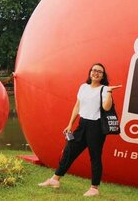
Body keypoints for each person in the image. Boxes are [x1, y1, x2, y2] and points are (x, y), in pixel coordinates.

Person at [38, 63, 122, 197]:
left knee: (95, 157)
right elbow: (77, 106)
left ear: (103, 76)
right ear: (90, 72)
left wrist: (110, 92)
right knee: (69, 150)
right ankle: (55, 179)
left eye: (100, 72)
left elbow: (106, 108)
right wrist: (70, 124)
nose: (96, 73)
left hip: (96, 128)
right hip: (82, 125)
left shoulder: (105, 89)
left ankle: (94, 188)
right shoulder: (83, 87)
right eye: (94, 70)